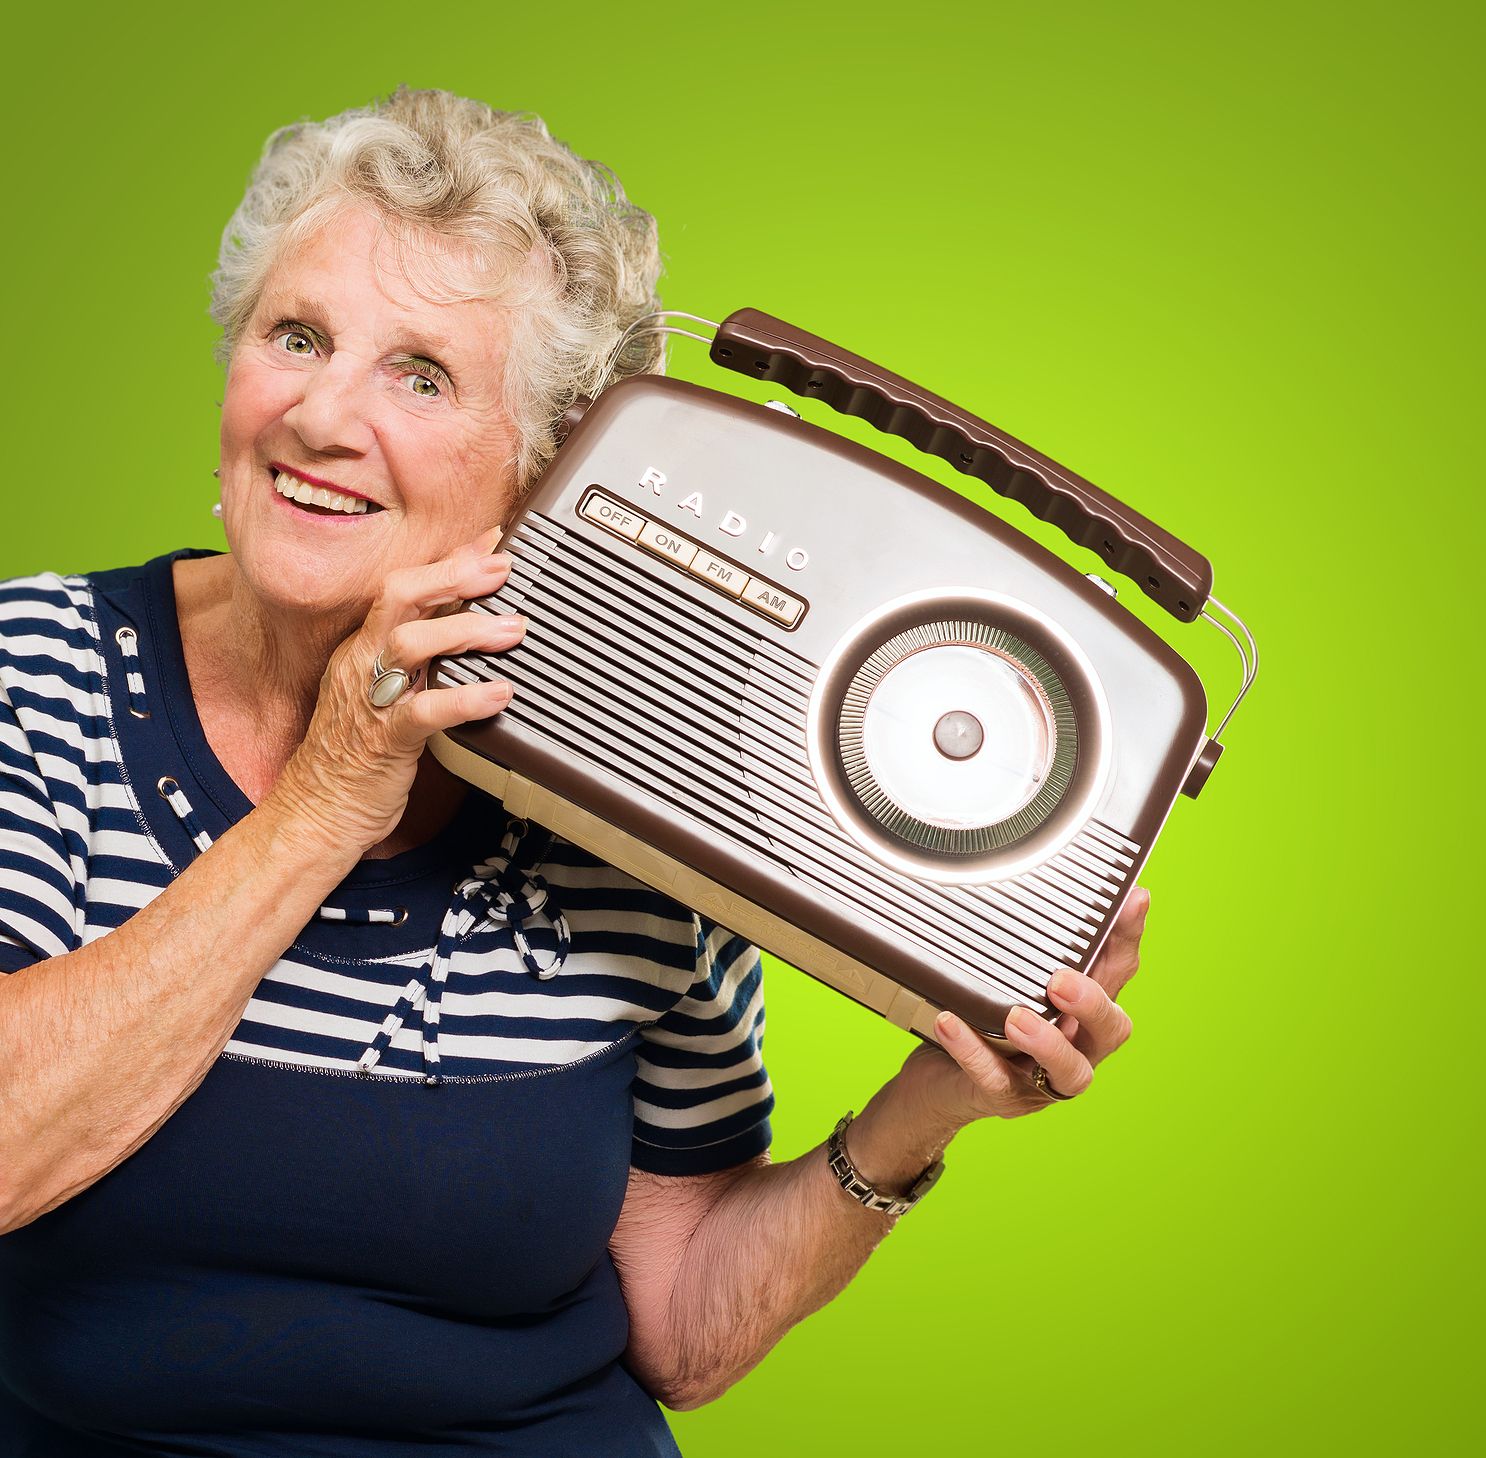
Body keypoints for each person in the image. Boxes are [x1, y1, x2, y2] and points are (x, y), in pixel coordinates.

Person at [0, 87, 1146, 1456]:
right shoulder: (37, 676)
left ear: (555, 466)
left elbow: (679, 1323)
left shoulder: (639, 783)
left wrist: (927, 1106)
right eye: (294, 335)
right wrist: (322, 799)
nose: (317, 413)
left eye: (420, 375)